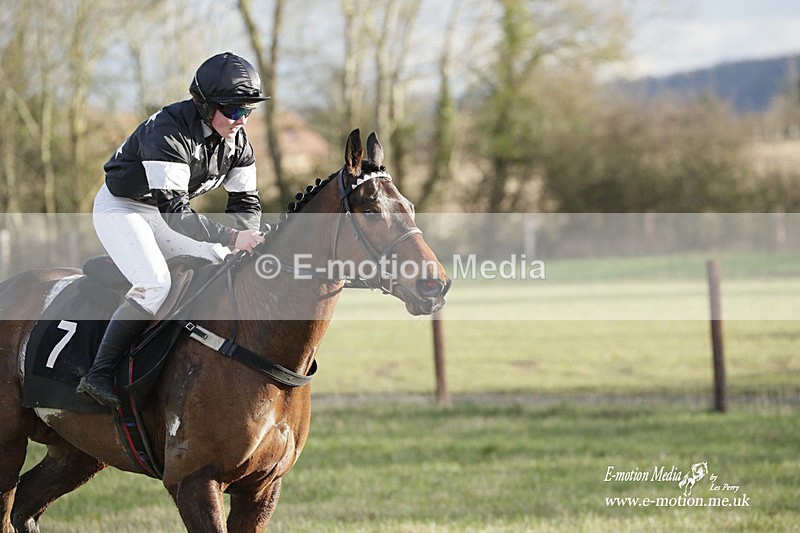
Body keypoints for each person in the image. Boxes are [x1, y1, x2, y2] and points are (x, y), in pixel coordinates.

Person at [77, 52, 267, 407]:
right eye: (234, 110)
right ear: (205, 104)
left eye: (248, 111)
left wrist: (247, 238)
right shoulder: (170, 132)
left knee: (219, 258)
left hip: (160, 212)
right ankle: (98, 373)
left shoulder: (239, 145)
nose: (242, 119)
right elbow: (176, 213)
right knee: (156, 285)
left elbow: (245, 203)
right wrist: (231, 236)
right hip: (123, 207)